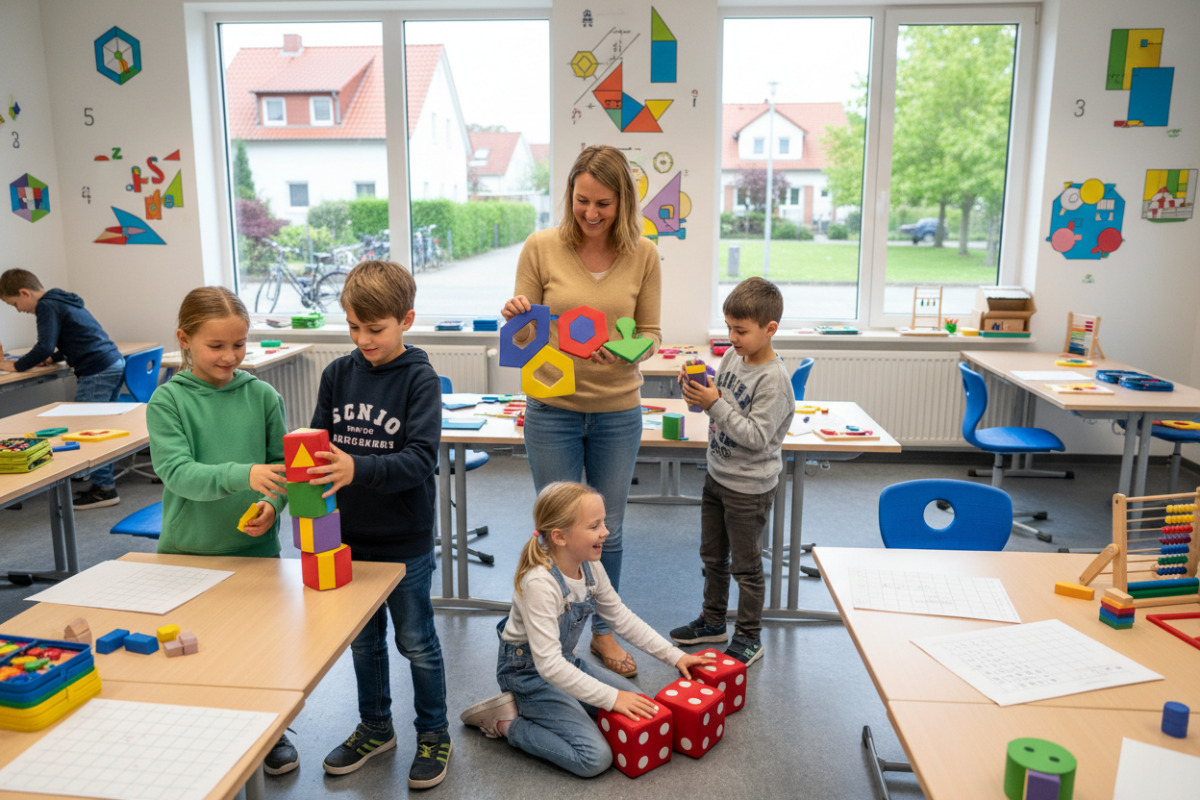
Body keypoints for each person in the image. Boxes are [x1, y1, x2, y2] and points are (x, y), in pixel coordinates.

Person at [501, 144, 661, 679]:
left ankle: (601, 631)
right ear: (569, 193)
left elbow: (652, 335)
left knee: (604, 531)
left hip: (617, 410)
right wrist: (518, 315)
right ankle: (545, 630)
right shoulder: (541, 247)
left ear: (624, 204)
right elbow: (524, 335)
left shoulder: (644, 253)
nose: (591, 213)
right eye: (582, 200)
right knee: (556, 531)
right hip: (553, 409)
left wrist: (622, 348)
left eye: (604, 204)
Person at [305, 260, 451, 789]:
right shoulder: (337, 374)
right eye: (353, 327)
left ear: (405, 319)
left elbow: (420, 460)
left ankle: (434, 732)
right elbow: (319, 446)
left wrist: (356, 467)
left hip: (404, 540)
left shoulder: (419, 378)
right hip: (345, 538)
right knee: (363, 644)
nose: (362, 339)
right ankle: (375, 727)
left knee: (416, 642)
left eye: (375, 328)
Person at [459, 482, 711, 777]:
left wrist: (675, 656)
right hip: (527, 676)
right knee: (594, 758)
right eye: (595, 526)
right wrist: (612, 698)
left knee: (647, 710)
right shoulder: (540, 583)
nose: (606, 531)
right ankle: (506, 724)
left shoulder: (591, 566)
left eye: (603, 522)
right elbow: (548, 666)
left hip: (565, 665)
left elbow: (621, 618)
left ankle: (559, 712)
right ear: (560, 537)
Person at [146, 286, 294, 769]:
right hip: (188, 552)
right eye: (217, 346)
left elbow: (281, 469)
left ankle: (269, 731)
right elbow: (178, 473)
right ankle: (201, 733)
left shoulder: (263, 396)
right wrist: (242, 474)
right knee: (195, 656)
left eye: (240, 344)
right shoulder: (168, 402)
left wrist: (272, 504)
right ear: (184, 340)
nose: (231, 356)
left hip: (254, 553)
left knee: (258, 654)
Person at [669, 277, 795, 666]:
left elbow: (756, 435)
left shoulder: (774, 381)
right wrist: (701, 384)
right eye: (729, 328)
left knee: (746, 565)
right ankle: (712, 620)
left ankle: (749, 635)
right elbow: (722, 395)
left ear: (769, 329)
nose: (732, 337)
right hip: (718, 475)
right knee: (712, 555)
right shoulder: (731, 358)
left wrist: (714, 404)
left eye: (740, 331)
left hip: (749, 488)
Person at [0, 268, 126, 509]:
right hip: (111, 362)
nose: (18, 310)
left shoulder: (46, 306)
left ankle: (104, 489)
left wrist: (16, 366)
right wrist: (55, 357)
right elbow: (73, 337)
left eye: (15, 303)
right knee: (102, 428)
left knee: (86, 429)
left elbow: (44, 345)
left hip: (97, 369)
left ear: (24, 293)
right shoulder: (62, 299)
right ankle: (103, 483)